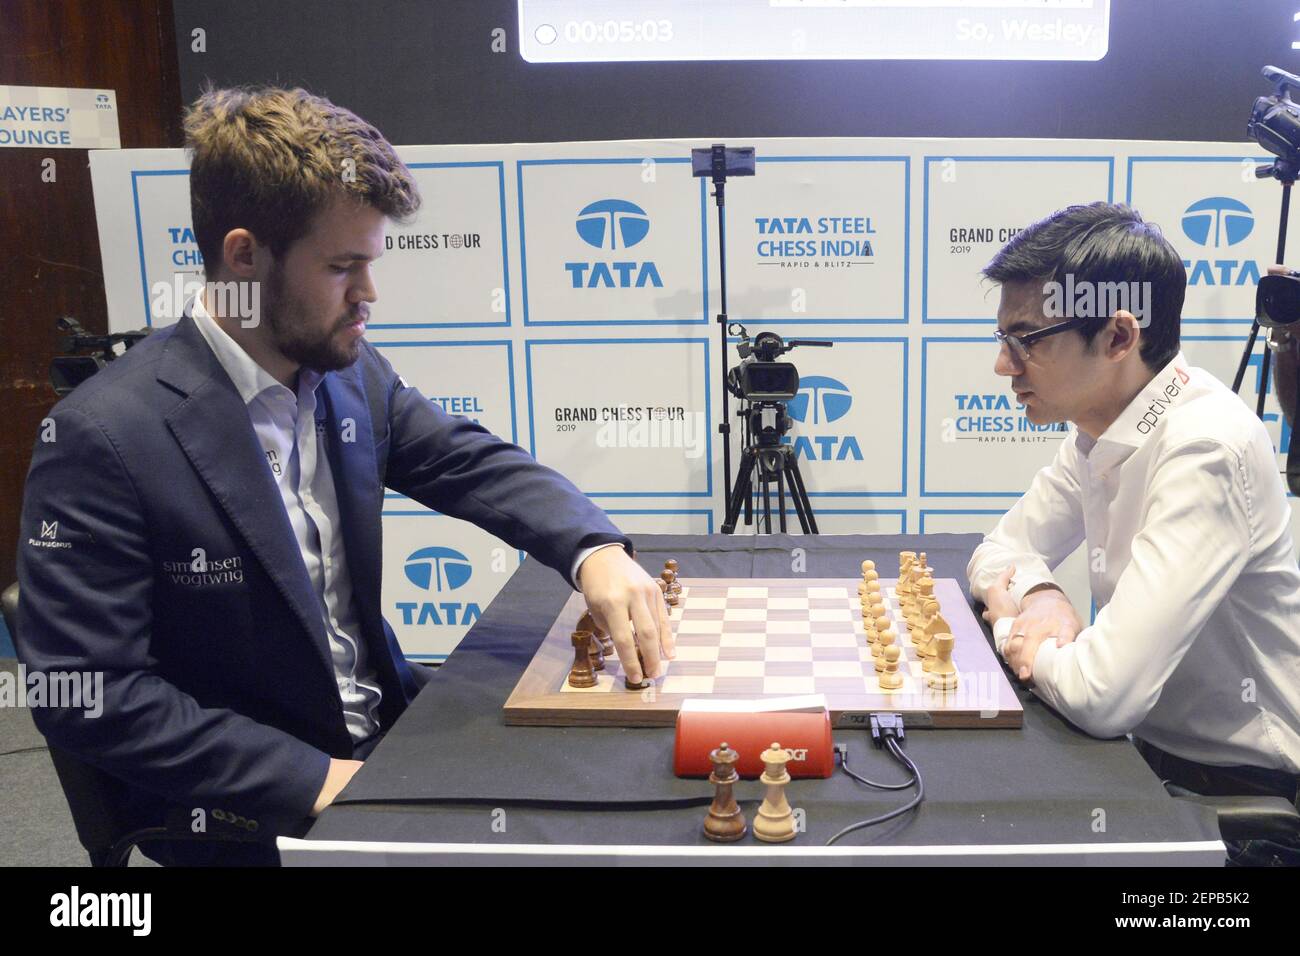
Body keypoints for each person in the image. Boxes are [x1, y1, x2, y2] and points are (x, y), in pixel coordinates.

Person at [14, 86, 674, 865]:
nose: (369, 296)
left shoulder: (348, 376)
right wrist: (317, 779)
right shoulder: (105, 437)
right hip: (250, 806)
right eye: (342, 267)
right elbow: (93, 700)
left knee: (626, 796)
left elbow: (468, 460)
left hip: (389, 731)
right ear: (244, 256)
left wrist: (591, 548)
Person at [967, 202, 1300, 864]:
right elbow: (999, 551)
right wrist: (1040, 597)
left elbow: (1102, 694)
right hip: (1154, 763)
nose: (1004, 367)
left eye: (1026, 339)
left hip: (1249, 804)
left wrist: (1008, 627)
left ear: (1120, 336)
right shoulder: (1104, 426)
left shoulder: (1207, 446)